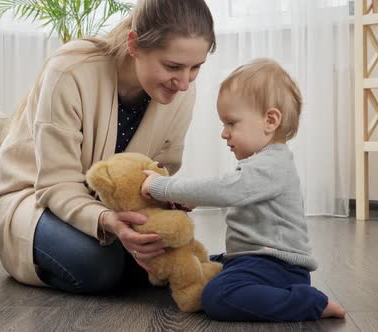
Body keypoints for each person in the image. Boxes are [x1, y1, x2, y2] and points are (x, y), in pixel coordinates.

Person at [0, 0, 216, 293]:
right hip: (33, 200)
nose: (183, 83)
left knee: (165, 250)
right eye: (173, 66)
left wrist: (169, 196)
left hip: (106, 208)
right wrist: (108, 221)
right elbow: (57, 183)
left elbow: (156, 171)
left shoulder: (180, 93)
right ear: (134, 45)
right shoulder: (70, 71)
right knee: (98, 265)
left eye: (196, 68)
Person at [141, 58, 347, 321]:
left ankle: (309, 302)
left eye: (231, 123)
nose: (224, 134)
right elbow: (228, 190)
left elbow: (226, 189)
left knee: (217, 296)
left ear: (270, 120)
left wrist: (163, 187)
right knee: (195, 265)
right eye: (223, 125)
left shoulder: (272, 164)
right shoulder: (262, 163)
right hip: (249, 258)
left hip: (278, 266)